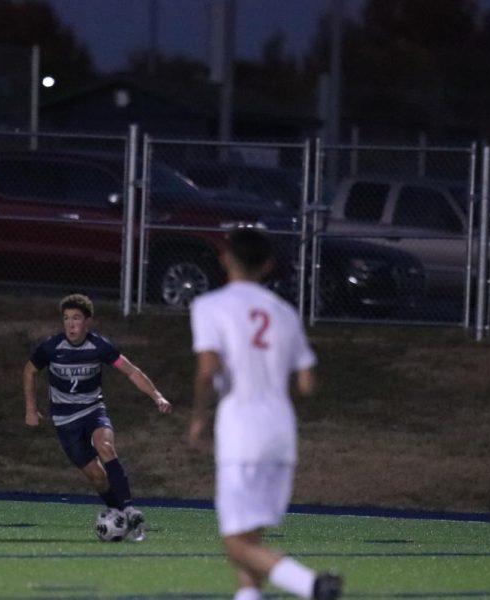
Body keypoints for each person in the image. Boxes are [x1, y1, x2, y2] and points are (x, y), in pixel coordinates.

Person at [188, 227, 343, 600]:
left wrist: (197, 418)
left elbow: (208, 369)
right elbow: (307, 383)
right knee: (251, 537)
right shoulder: (285, 312)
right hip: (280, 433)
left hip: (241, 432)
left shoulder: (211, 306)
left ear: (226, 259)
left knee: (235, 544)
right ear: (268, 265)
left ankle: (312, 586)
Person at [23, 293, 172, 541]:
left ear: (87, 321)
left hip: (93, 411)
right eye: (66, 319)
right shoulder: (51, 348)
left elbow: (131, 371)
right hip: (65, 421)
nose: (71, 324)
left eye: (76, 318)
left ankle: (129, 511)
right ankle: (119, 513)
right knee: (97, 478)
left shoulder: (99, 346)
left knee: (105, 446)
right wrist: (30, 409)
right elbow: (29, 371)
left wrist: (157, 396)